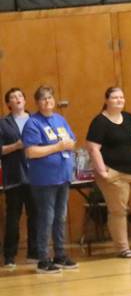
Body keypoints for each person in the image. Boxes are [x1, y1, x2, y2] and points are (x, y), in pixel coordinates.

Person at [86, 87, 131, 257]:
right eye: (115, 97)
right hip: (115, 174)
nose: (119, 100)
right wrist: (103, 171)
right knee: (118, 211)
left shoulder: (130, 118)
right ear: (106, 100)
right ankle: (123, 248)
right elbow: (93, 148)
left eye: (121, 97)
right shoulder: (99, 122)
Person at [21, 86, 78, 274]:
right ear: (37, 102)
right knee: (47, 218)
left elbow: (71, 141)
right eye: (43, 99)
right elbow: (31, 151)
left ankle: (60, 255)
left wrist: (68, 145)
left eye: (50, 98)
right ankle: (43, 259)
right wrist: (57, 147)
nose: (47, 101)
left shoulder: (60, 119)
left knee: (60, 217)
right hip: (44, 180)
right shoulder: (33, 123)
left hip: (63, 176)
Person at [1, 88, 37, 268]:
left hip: (36, 176)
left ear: (25, 100)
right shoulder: (3, 123)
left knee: (35, 216)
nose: (18, 99)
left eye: (20, 96)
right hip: (14, 176)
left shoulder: (35, 120)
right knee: (13, 218)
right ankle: (9, 256)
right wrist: (15, 146)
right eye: (13, 97)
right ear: (8, 103)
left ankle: (34, 253)